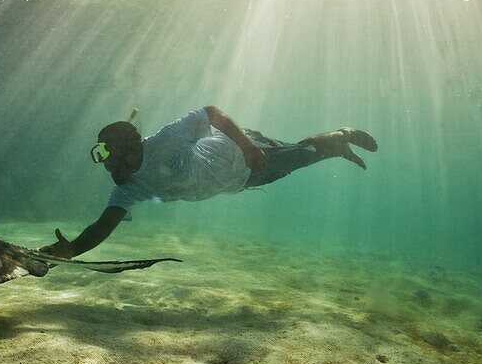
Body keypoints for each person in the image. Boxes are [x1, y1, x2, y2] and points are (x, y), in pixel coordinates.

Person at [41, 105, 377, 258]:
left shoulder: (167, 139)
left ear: (125, 146)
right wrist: (73, 249)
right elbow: (104, 224)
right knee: (299, 158)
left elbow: (212, 113)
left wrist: (247, 148)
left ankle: (341, 136)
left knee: (302, 155)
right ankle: (336, 147)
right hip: (239, 182)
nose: (103, 163)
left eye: (104, 152)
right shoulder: (130, 186)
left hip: (243, 153)